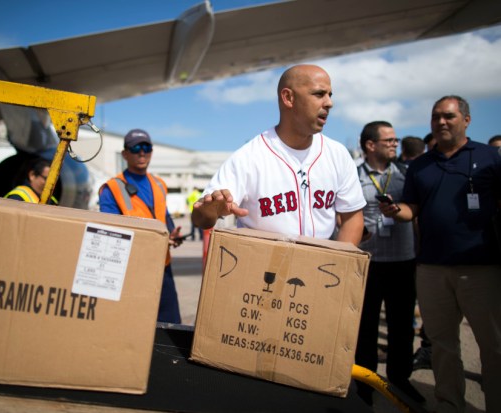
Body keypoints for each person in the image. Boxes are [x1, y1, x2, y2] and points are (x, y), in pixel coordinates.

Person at [379, 95, 501, 413]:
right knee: (442, 345)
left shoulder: (491, 157)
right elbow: (411, 210)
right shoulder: (420, 165)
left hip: (481, 268)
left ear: (467, 120)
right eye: (435, 117)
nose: (441, 122)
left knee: (494, 346)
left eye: (448, 116)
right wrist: (395, 210)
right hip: (432, 267)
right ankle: (449, 404)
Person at [191, 64, 366, 245]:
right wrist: (210, 210)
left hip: (321, 266)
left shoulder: (338, 154)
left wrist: (338, 266)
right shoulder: (249, 156)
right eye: (319, 94)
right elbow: (201, 219)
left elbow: (352, 218)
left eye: (330, 95)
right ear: (288, 98)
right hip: (263, 265)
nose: (329, 102)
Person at [354, 121, 423, 406]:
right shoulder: (353, 175)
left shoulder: (407, 174)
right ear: (370, 145)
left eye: (395, 140)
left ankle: (400, 379)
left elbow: (416, 210)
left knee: (402, 326)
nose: (396, 144)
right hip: (368, 263)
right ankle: (365, 386)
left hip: (402, 261)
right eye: (389, 141)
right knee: (365, 327)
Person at [99, 129, 183, 324]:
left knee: (170, 327)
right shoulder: (112, 188)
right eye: (136, 148)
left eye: (147, 147)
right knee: (133, 326)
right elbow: (111, 234)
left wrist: (172, 234)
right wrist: (156, 240)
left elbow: (164, 217)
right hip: (132, 270)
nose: (142, 153)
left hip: (163, 267)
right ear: (125, 154)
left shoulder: (159, 184)